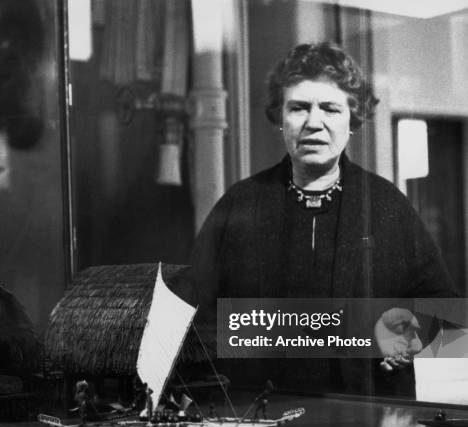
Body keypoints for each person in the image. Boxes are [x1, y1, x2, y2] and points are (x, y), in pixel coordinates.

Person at [189, 42, 457, 395]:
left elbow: (448, 321)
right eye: (299, 108)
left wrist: (409, 340)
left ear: (353, 120)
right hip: (260, 419)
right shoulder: (239, 204)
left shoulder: (387, 205)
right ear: (279, 119)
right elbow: (192, 321)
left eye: (330, 108)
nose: (314, 123)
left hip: (366, 422)